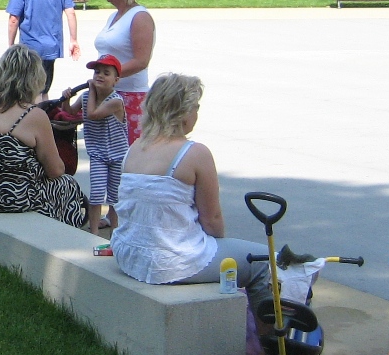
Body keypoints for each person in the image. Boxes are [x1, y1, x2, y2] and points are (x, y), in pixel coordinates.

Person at [111, 73, 273, 310]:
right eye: (195, 107)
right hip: (171, 262)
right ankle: (269, 341)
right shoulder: (194, 153)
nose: (196, 114)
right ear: (184, 113)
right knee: (265, 262)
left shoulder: (136, 147)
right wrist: (219, 250)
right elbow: (213, 220)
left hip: (128, 254)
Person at [0, 44, 88, 227]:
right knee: (68, 185)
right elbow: (56, 170)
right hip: (15, 200)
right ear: (34, 79)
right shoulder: (32, 115)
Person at [62, 53, 129, 233]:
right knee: (97, 194)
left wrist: (91, 91)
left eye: (106, 73)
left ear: (116, 80)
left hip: (117, 155)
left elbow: (92, 114)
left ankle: (115, 230)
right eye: (97, 72)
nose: (99, 76)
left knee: (114, 195)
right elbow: (70, 112)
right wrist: (66, 99)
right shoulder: (86, 97)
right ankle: (94, 232)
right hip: (98, 154)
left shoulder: (115, 101)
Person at [94, 0, 155, 144]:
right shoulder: (114, 16)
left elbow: (141, 61)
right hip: (107, 93)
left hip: (130, 98)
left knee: (126, 155)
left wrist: (109, 75)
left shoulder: (140, 17)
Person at [7, 0, 79, 94]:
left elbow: (14, 19)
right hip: (51, 46)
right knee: (44, 90)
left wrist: (11, 45)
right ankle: (43, 115)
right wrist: (73, 40)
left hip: (29, 48)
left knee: (28, 91)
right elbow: (70, 13)